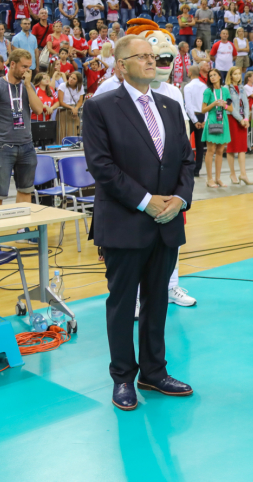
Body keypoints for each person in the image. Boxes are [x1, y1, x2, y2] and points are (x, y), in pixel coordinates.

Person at [82, 34, 195, 411]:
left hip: (167, 221)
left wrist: (179, 199)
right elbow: (102, 167)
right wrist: (146, 202)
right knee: (122, 303)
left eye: (155, 56)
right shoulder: (100, 107)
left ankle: (154, 371)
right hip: (125, 221)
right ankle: (122, 378)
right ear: (120, 65)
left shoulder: (168, 104)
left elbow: (185, 161)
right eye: (142, 56)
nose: (152, 61)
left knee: (157, 299)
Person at [0, 49, 48, 206]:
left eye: (29, 67)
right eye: (24, 66)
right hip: (4, 145)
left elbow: (38, 110)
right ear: (12, 64)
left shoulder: (28, 86)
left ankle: (22, 229)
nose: (27, 71)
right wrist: (4, 128)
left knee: (25, 190)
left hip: (27, 145)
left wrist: (29, 86)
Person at [201, 67, 232, 188]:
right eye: (210, 76)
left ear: (219, 76)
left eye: (214, 75)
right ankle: (209, 179)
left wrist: (224, 104)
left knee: (220, 150)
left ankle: (218, 178)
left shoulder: (225, 91)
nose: (212, 77)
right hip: (212, 120)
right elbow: (203, 110)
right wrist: (214, 103)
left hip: (223, 121)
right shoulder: (208, 91)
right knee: (211, 150)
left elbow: (231, 107)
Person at [225, 67, 252, 185]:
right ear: (230, 76)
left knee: (242, 147)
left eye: (239, 74)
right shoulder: (226, 89)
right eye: (235, 74)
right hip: (231, 118)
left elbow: (246, 104)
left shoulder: (242, 88)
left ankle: (243, 174)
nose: (238, 76)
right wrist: (241, 119)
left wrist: (246, 118)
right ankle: (232, 174)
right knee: (231, 147)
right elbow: (229, 107)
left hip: (242, 118)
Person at [183, 61, 210, 177]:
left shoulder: (187, 86)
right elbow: (207, 104)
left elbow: (188, 106)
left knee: (185, 142)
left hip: (192, 116)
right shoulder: (204, 86)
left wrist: (194, 121)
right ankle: (197, 170)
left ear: (189, 73)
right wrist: (204, 120)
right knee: (200, 145)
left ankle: (185, 166)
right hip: (203, 115)